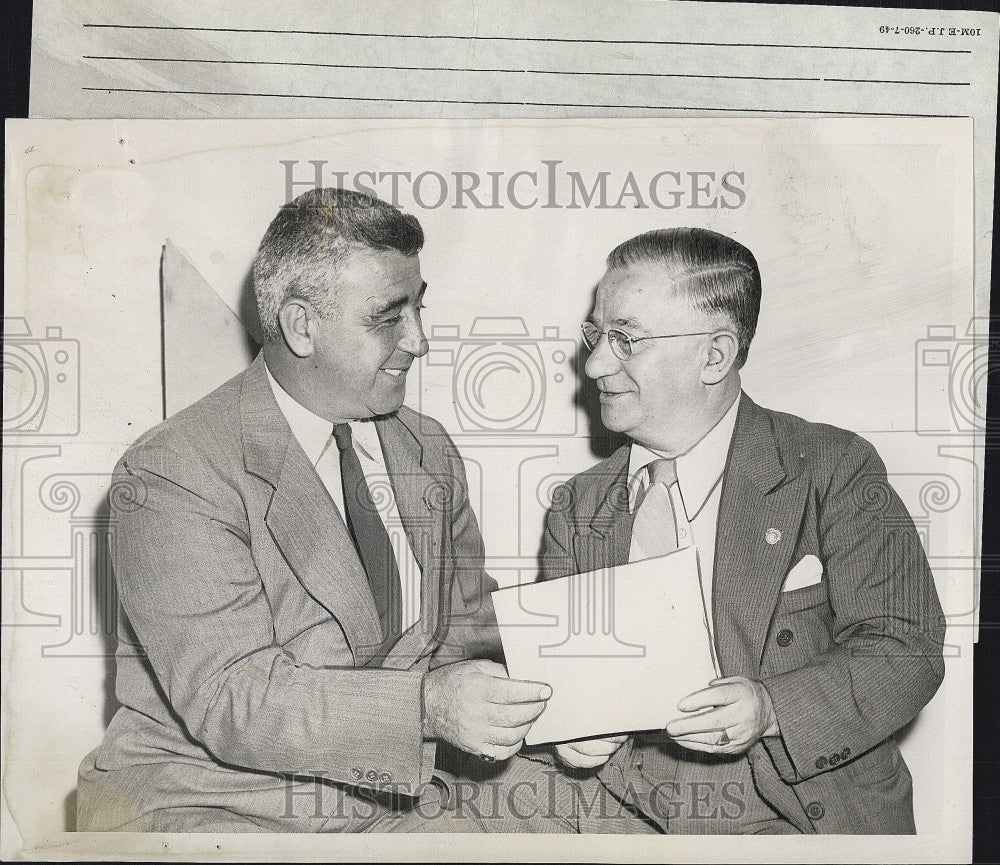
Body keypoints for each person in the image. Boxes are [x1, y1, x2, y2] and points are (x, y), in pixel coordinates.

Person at [77, 188, 551, 832]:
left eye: (419, 306)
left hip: (388, 800)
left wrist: (557, 706)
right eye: (389, 317)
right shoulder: (173, 471)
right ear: (301, 326)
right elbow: (234, 699)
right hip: (212, 805)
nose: (419, 339)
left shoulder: (427, 447)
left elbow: (467, 632)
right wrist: (427, 707)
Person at [446, 226, 945, 834]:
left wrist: (770, 708)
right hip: (623, 820)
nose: (596, 363)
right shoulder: (578, 507)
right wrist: (566, 735)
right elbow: (567, 689)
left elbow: (907, 653)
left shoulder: (831, 468)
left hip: (798, 820)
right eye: (596, 334)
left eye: (626, 339)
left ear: (714, 354)